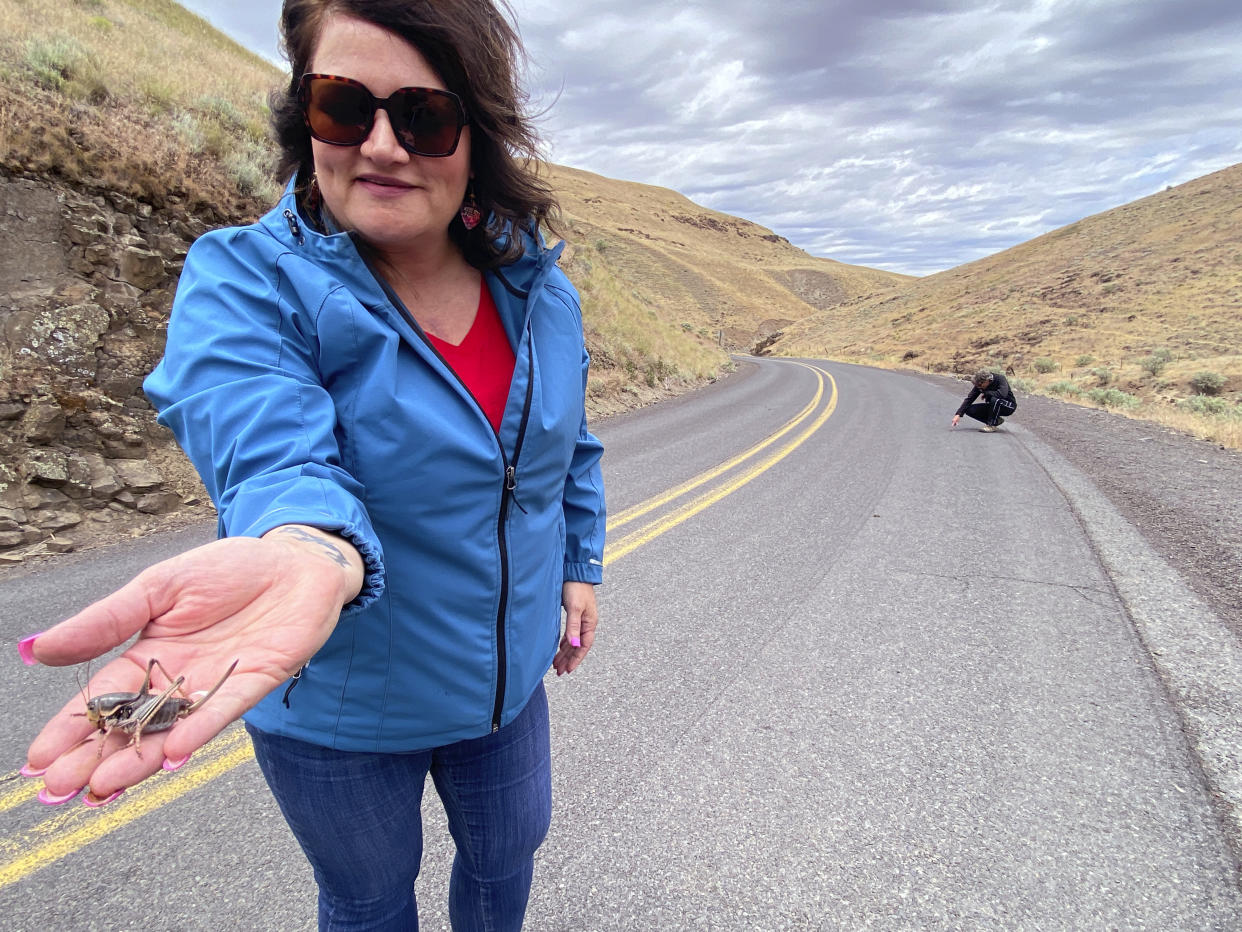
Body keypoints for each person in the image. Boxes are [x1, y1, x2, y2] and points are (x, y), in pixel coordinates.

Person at [18, 1, 606, 928]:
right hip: (337, 708)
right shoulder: (245, 279)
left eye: (423, 115)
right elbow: (269, 447)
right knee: (369, 903)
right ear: (305, 118)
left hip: (506, 685)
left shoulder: (539, 288)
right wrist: (310, 550)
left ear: (477, 134)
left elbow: (568, 446)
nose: (382, 145)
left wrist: (579, 563)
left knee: (504, 875)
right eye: (343, 106)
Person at [951, 368, 1018, 432]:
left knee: (995, 399)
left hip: (1008, 406)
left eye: (980, 385)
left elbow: (1002, 394)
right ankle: (996, 420)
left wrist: (987, 393)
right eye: (977, 385)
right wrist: (958, 414)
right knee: (969, 409)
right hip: (993, 406)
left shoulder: (1000, 379)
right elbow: (970, 398)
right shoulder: (979, 385)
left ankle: (991, 425)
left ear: (987, 380)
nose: (979, 387)